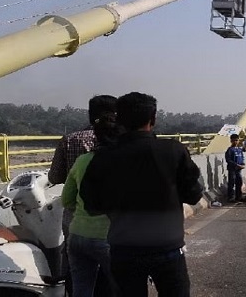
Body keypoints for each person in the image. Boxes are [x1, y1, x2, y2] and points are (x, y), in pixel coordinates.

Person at [79, 92, 204, 297]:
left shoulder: (103, 157)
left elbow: (91, 205)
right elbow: (193, 195)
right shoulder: (174, 150)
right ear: (152, 119)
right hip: (167, 248)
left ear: (120, 120)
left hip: (124, 250)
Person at [48, 94, 117, 295]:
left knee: (76, 273)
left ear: (90, 115)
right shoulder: (121, 144)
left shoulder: (70, 140)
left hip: (75, 222)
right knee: (111, 275)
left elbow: (54, 177)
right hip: (108, 225)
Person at [62, 111, 121, 297]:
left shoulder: (82, 161)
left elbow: (66, 200)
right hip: (108, 238)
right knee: (119, 287)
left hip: (77, 235)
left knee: (81, 289)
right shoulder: (123, 161)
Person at [225, 134, 245, 203]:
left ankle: (239, 196)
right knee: (232, 183)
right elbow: (228, 160)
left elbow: (242, 158)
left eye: (236, 140)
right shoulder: (230, 150)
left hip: (238, 170)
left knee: (239, 182)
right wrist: (236, 165)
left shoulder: (239, 149)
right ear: (231, 141)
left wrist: (243, 164)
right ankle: (231, 197)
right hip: (232, 169)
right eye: (233, 140)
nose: (235, 142)